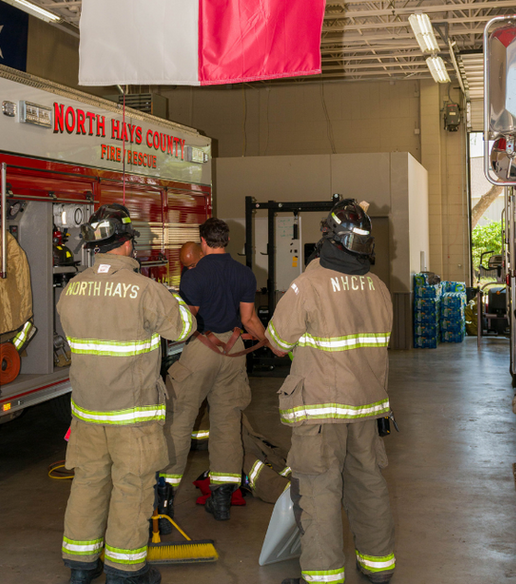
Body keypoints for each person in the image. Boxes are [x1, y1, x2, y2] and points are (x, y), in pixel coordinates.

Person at [57, 204, 196, 584]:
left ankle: (81, 568)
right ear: (126, 244)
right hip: (132, 414)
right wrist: (173, 296)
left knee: (88, 482)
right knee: (132, 487)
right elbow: (183, 328)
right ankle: (125, 571)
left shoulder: (72, 289)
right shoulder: (145, 289)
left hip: (87, 411)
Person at [266, 199, 395, 584]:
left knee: (320, 490)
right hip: (366, 407)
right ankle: (378, 567)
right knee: (367, 481)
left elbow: (275, 342)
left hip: (321, 411)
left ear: (328, 238)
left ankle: (322, 577)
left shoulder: (308, 285)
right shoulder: (378, 288)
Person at [159, 217, 267, 522]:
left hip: (201, 350)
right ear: (227, 240)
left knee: (179, 420)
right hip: (234, 352)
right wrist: (272, 344)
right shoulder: (245, 274)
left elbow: (186, 323)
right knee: (228, 423)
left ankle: (164, 499)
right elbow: (249, 321)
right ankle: (221, 499)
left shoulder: (194, 276)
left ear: (203, 242)